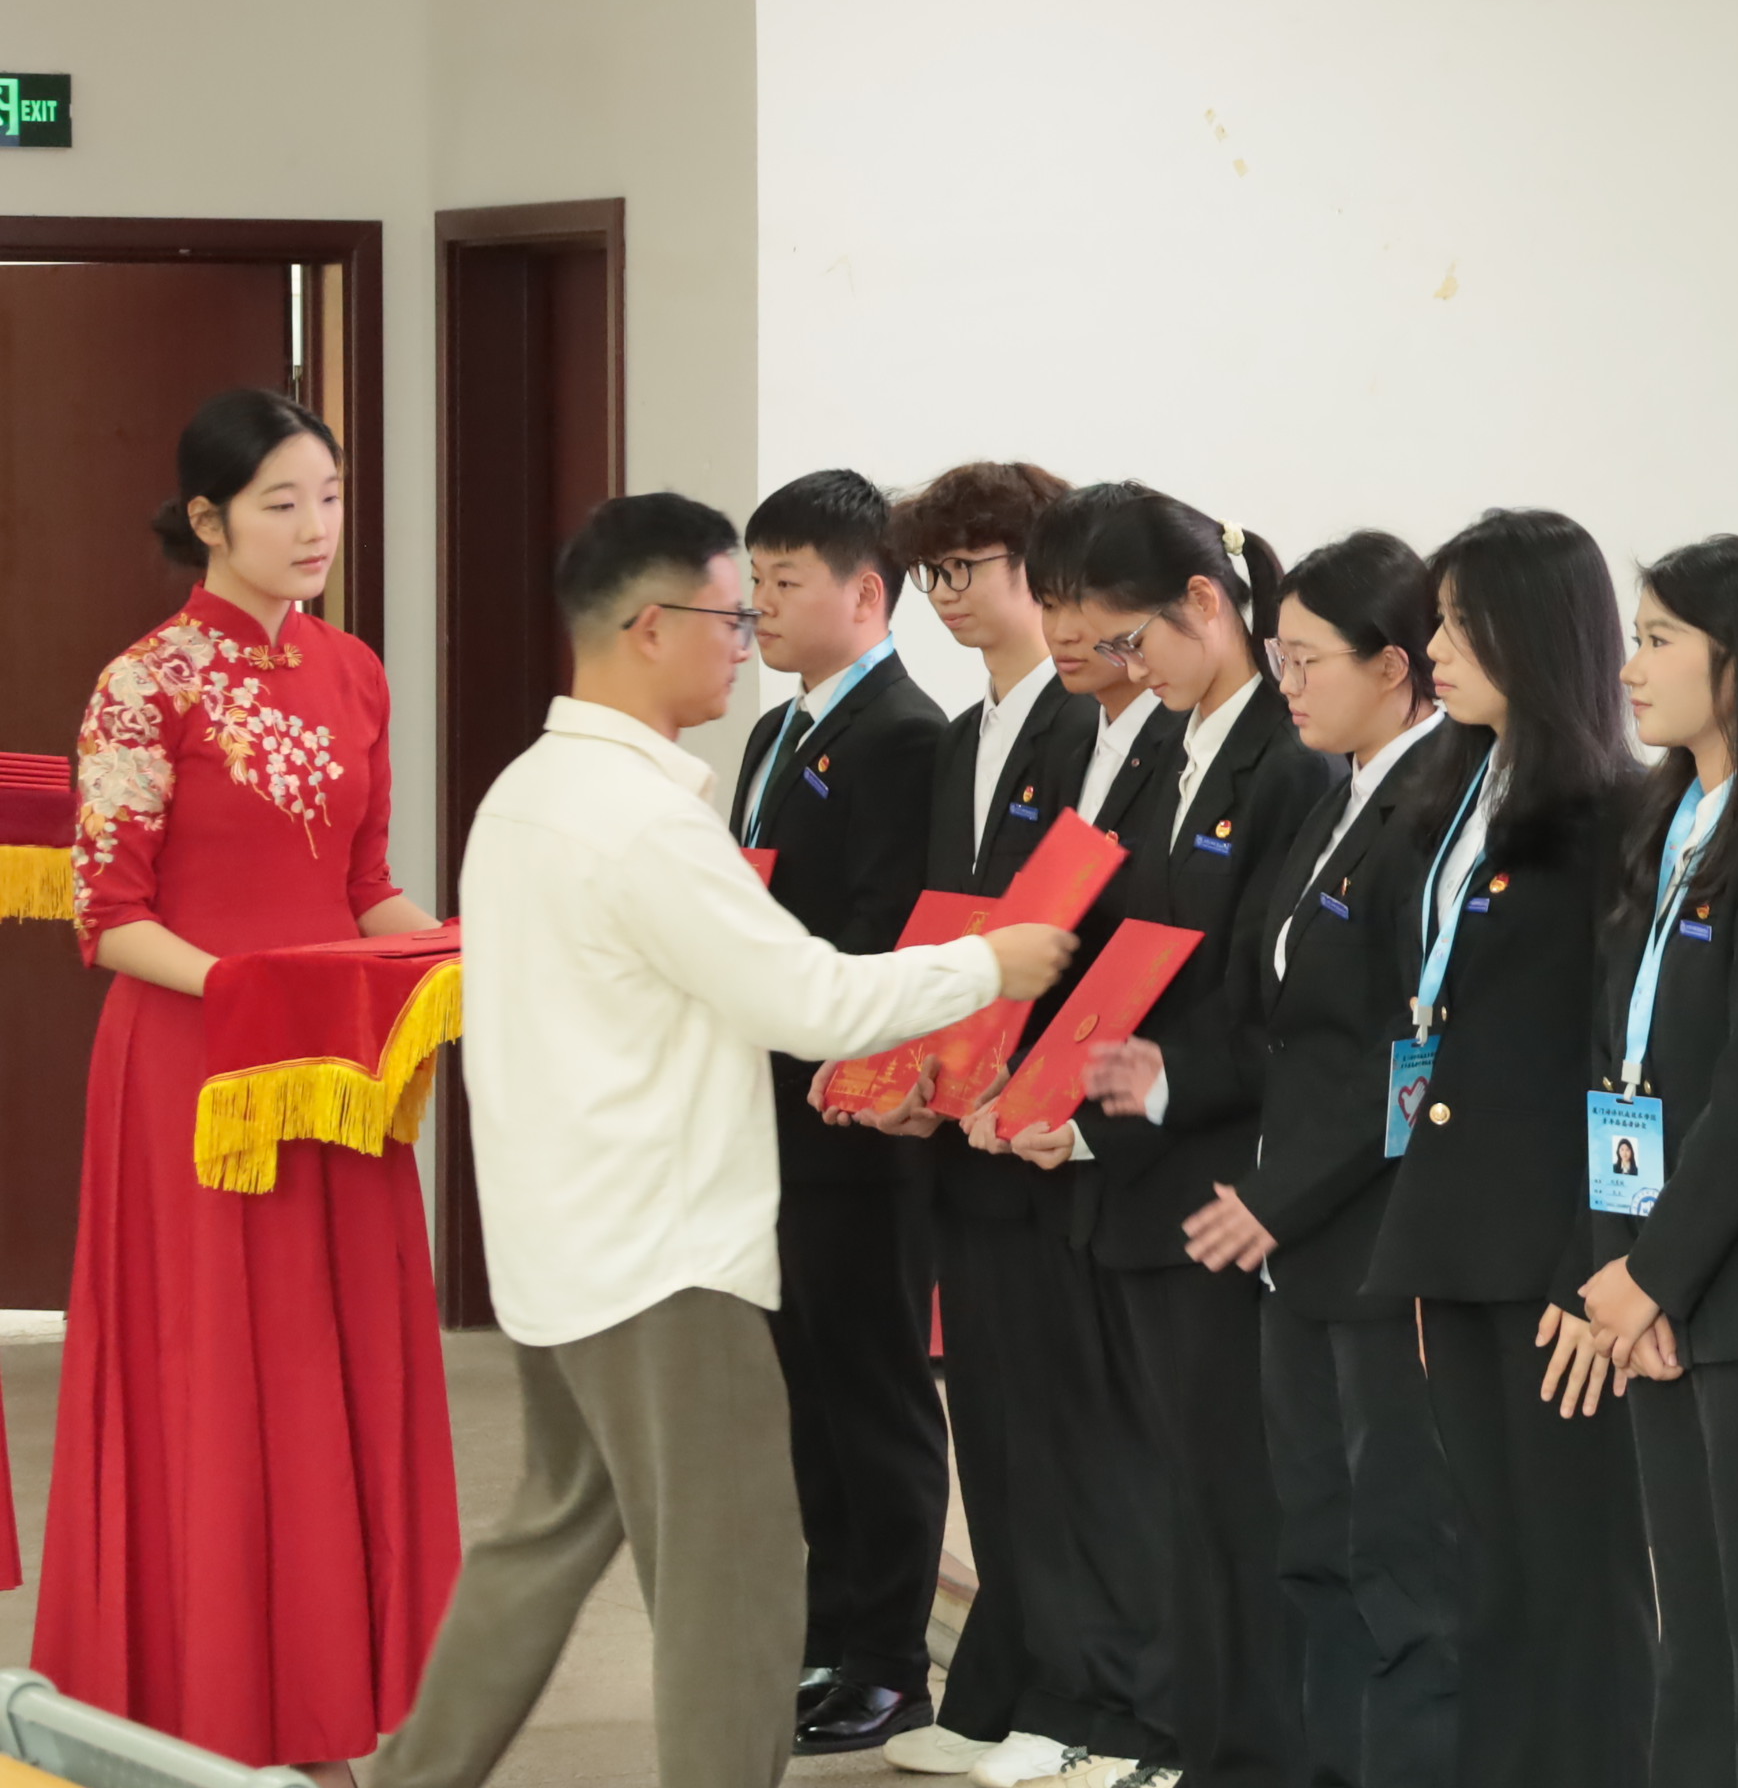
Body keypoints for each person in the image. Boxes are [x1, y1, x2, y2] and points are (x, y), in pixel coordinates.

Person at [370, 491, 1076, 1788]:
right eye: (730, 613)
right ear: (650, 626)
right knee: (733, 1576)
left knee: (548, 1533)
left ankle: (415, 1775)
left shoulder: (529, 791)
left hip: (561, 1240)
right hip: (664, 1257)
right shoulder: (639, 819)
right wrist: (993, 962)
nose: (745, 638)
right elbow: (808, 998)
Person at [39, 387, 458, 1781]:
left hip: (330, 1076)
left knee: (331, 1376)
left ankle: (323, 1708)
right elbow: (110, 916)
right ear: (208, 519)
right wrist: (249, 993)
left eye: (328, 496)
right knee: (218, 1376)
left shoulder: (354, 670)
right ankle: (203, 1705)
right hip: (198, 1074)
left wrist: (470, 956)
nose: (316, 526)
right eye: (283, 502)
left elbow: (365, 887)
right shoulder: (143, 683)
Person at [877, 461, 1175, 1788]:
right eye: (932, 572)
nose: (952, 595)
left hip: (1057, 1115)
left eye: (977, 567)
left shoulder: (1091, 720)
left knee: (1075, 1429)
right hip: (970, 1108)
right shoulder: (967, 732)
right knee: (997, 1424)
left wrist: (1032, 1086)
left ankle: (1088, 1694)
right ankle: (1015, 1681)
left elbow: (1084, 941)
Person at [1341, 509, 1649, 1785]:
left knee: (1579, 1568)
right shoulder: (1456, 789)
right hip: (1457, 1236)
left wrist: (1596, 1264)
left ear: (1537, 629)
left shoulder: (1616, 811)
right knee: (1493, 1565)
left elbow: (1615, 1056)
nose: (1435, 648)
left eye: (1462, 623)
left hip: (1558, 1256)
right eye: (1436, 620)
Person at [1074, 492, 1341, 1788]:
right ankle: (1201, 1739)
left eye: (1134, 640)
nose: (1128, 670)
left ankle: (1255, 1752)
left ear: (1204, 601)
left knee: (1243, 1498)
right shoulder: (1167, 749)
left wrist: (1162, 1085)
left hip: (1228, 1183)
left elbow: (1273, 1005)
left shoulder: (1287, 762)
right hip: (1143, 1171)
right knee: (1181, 1492)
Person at [1567, 535, 1738, 1788]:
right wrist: (1619, 1269)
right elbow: (1610, 1060)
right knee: (1692, 1620)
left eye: (1658, 639)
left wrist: (1658, 1274)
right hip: (1650, 1283)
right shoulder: (1655, 816)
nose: (1629, 667)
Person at [728, 467, 958, 1758]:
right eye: (752, 580)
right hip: (772, 1105)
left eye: (783, 581)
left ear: (866, 594)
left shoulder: (903, 735)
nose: (757, 605)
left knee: (873, 1389)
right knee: (805, 1390)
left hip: (854, 1118)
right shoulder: (779, 729)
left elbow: (877, 930)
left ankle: (889, 1660)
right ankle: (827, 1633)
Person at [1243, 529, 1470, 1788]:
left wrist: (1279, 1196)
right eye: (1276, 656)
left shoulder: (1437, 804)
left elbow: (1408, 1050)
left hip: (1377, 1236)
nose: (1285, 682)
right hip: (1300, 1240)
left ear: (1393, 665)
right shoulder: (1336, 791)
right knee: (1314, 1540)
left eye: (1305, 657)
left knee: (1399, 1553)